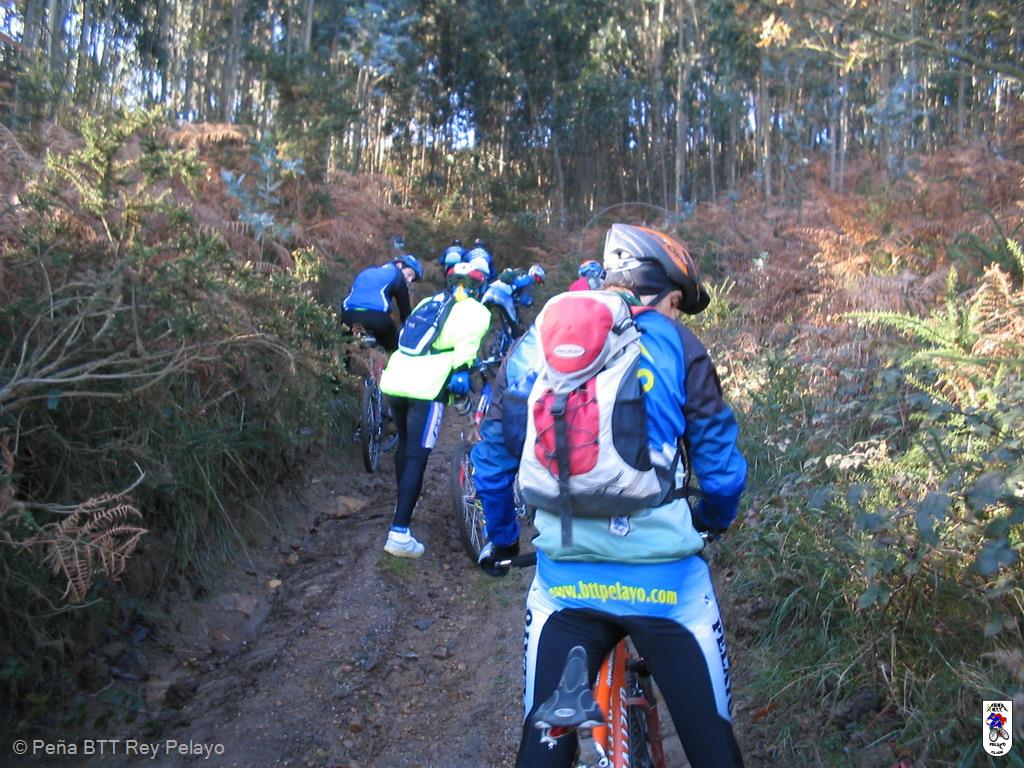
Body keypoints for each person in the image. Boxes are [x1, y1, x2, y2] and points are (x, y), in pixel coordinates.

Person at [477, 223, 748, 767]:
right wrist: (713, 518)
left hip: (566, 587)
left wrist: (504, 539)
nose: (676, 315)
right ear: (666, 294)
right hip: (668, 590)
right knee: (714, 746)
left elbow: (494, 456)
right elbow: (720, 470)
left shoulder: (543, 338)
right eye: (678, 304)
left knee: (542, 744)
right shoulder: (677, 344)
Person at [377, 262, 492, 557]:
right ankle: (399, 533)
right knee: (418, 454)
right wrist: (463, 369)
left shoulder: (430, 301)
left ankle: (404, 503)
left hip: (397, 380)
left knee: (405, 446)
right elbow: (468, 343)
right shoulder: (476, 310)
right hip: (427, 387)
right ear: (479, 286)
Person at [341, 254, 423, 351]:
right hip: (376, 318)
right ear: (399, 265)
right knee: (393, 346)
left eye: (412, 279)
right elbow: (405, 313)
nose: (409, 280)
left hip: (348, 317)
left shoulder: (366, 272)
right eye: (409, 275)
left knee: (347, 350)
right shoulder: (397, 274)